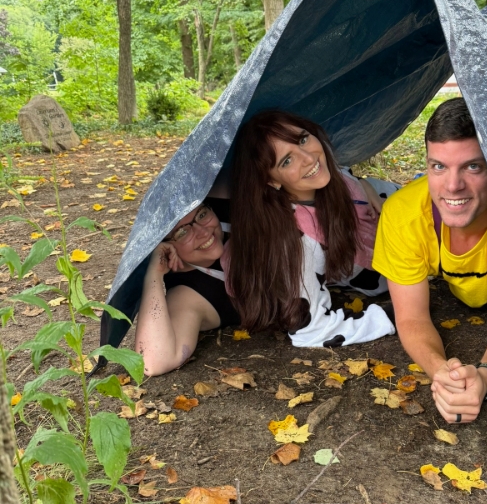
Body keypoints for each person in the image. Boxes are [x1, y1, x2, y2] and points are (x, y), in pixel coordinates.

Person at [372, 97, 487, 424]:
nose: (452, 186)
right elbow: (411, 318)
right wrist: (442, 375)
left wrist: (485, 375)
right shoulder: (403, 214)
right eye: (439, 166)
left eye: (473, 166)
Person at [226, 110, 398, 347]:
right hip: (408, 253)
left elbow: (342, 171)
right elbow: (310, 330)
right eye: (287, 160)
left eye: (303, 139)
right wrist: (392, 316)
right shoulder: (301, 241)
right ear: (271, 181)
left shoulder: (319, 178)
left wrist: (364, 185)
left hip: (406, 207)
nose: (308, 158)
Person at [135, 203, 240, 376]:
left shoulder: (239, 214)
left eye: (201, 215)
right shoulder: (187, 296)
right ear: (164, 246)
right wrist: (153, 274)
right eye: (182, 233)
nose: (204, 232)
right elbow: (153, 362)